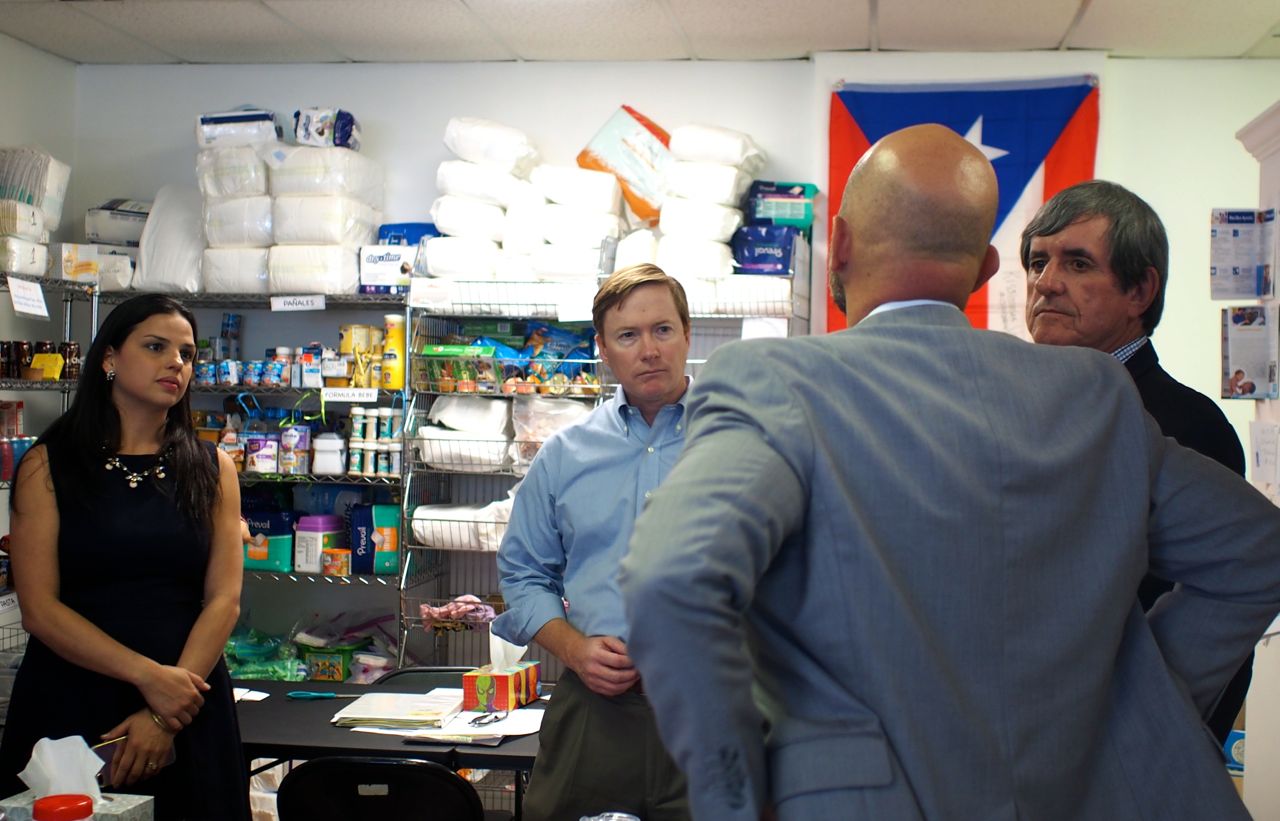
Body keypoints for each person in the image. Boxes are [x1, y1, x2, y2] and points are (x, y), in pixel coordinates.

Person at [618, 124, 1280, 820]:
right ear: (988, 268)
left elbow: (671, 580)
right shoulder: (1093, 395)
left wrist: (734, 801)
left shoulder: (773, 381)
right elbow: (1258, 551)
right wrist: (1138, 703)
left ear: (838, 244)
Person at [0, 294, 250, 819]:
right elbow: (40, 610)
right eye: (156, 347)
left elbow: (223, 600)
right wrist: (148, 678)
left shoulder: (211, 466)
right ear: (109, 358)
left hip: (189, 700)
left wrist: (164, 713)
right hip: (74, 700)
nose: (175, 363)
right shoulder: (50, 465)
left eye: (186, 354)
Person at [1021, 179, 1250, 744]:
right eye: (1037, 263)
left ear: (1140, 290)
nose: (1046, 284)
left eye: (1077, 264)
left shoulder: (1190, 429)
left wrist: (1168, 750)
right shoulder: (1011, 407)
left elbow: (1221, 622)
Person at [492, 263, 692, 821]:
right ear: (603, 349)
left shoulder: (741, 439)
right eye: (628, 335)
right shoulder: (564, 454)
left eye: (662, 330)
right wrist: (574, 649)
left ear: (687, 336)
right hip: (594, 707)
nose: (648, 349)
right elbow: (523, 574)